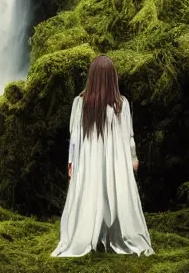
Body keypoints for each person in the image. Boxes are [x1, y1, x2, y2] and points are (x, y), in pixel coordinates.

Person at [51, 55, 154, 257]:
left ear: (92, 77)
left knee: (90, 193)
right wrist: (133, 160)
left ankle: (92, 234)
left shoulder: (81, 103)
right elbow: (128, 137)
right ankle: (112, 235)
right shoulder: (120, 105)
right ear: (112, 78)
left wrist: (72, 162)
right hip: (114, 163)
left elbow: (74, 138)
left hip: (90, 162)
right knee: (114, 195)